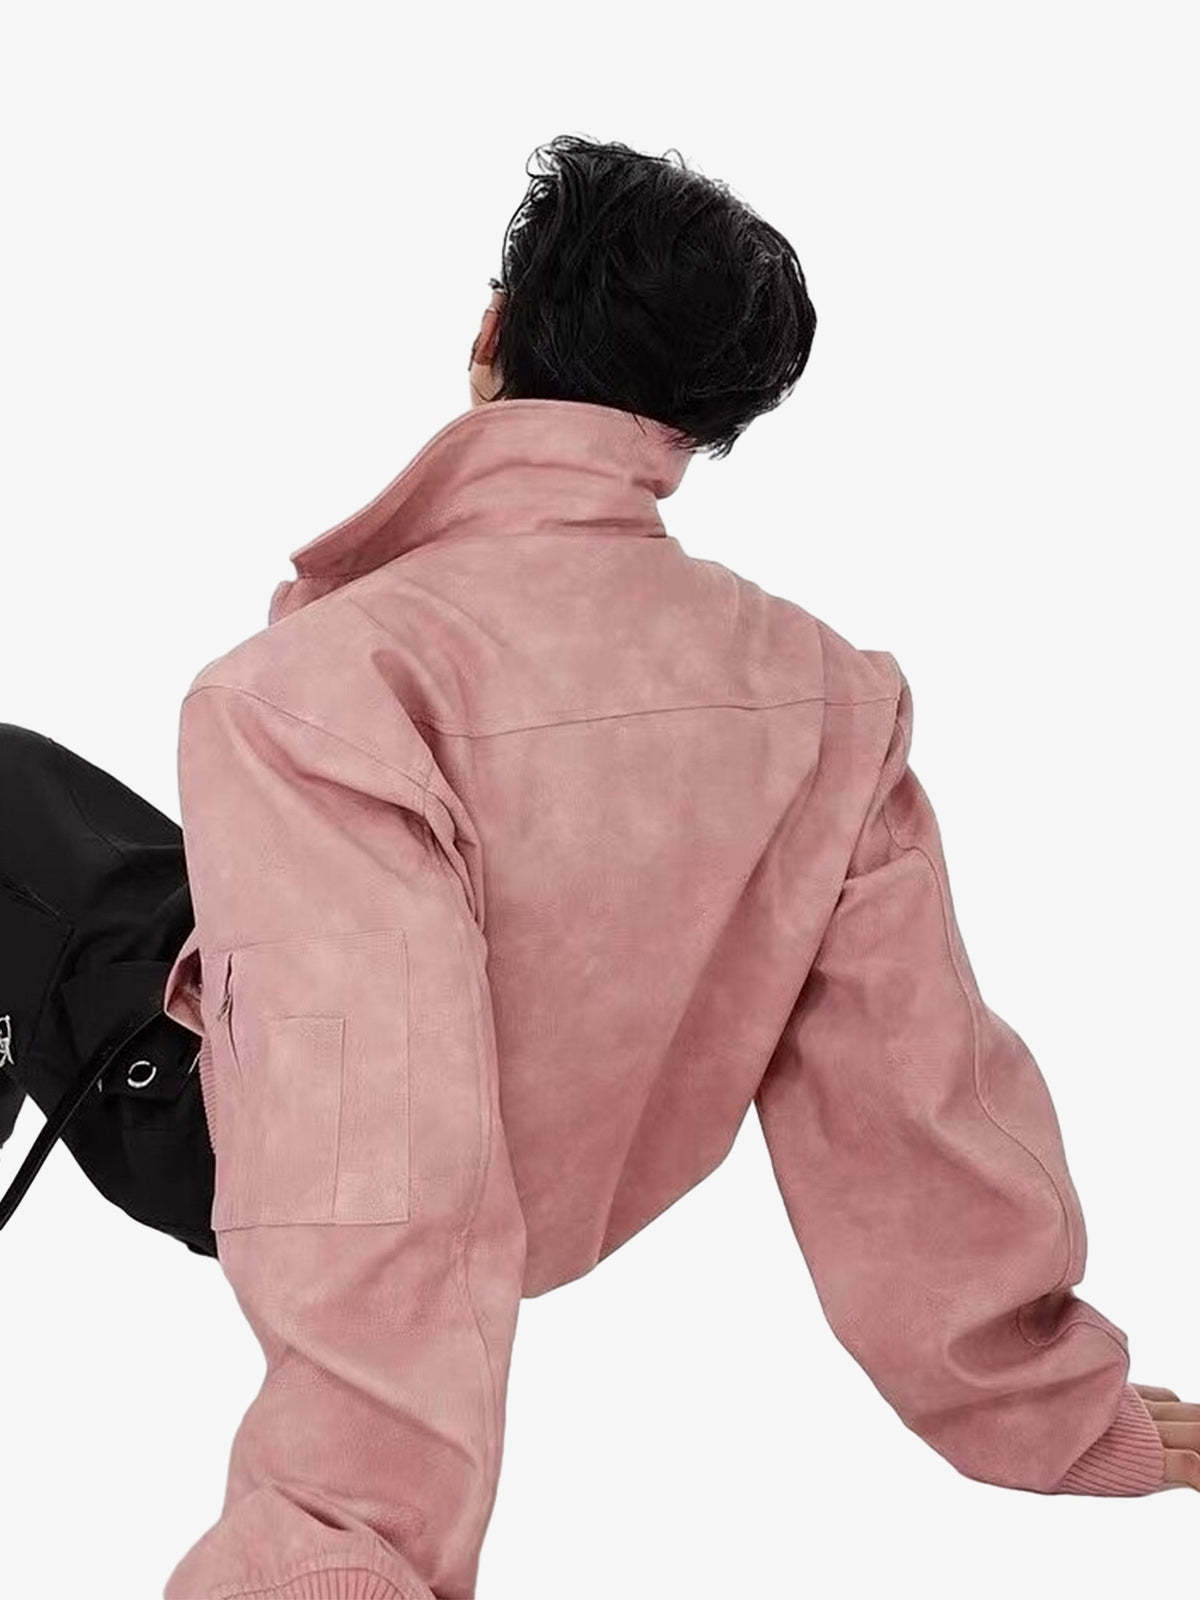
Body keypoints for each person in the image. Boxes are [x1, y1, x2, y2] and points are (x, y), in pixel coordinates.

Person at [3, 133, 1197, 1600]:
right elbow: (910, 1086)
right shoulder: (823, 691)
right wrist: (1040, 1397)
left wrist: (332, 1551)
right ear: (707, 419)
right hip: (580, 1175)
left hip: (244, 1149)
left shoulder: (321, 686)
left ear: (491, 334)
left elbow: (370, 1149)